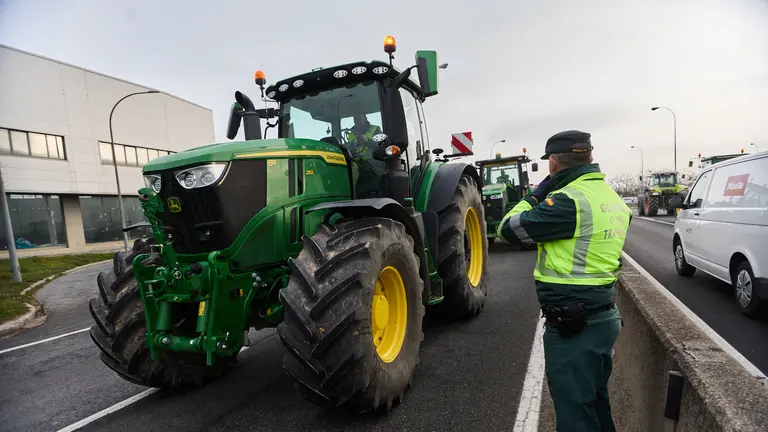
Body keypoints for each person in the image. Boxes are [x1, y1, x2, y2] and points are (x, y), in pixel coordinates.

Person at [496, 130, 631, 432]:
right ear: (589, 157)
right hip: (602, 318)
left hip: (574, 327)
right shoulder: (612, 198)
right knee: (595, 403)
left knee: (574, 415)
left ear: (553, 163)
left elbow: (508, 229)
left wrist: (533, 196)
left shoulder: (569, 202)